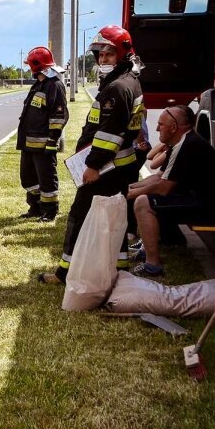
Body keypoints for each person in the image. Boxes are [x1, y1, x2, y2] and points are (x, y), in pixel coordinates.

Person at [40, 25, 146, 284]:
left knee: (79, 215)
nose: (102, 60)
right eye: (99, 55)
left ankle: (65, 273)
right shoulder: (127, 81)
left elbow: (110, 133)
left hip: (107, 168)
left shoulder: (118, 88)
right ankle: (119, 270)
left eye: (108, 54)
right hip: (121, 166)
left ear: (122, 54)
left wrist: (93, 165)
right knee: (115, 218)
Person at [127, 106, 215, 277]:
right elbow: (159, 176)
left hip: (209, 207)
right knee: (144, 196)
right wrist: (131, 187)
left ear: (174, 128)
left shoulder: (188, 145)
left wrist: (132, 194)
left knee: (143, 202)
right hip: (196, 198)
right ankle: (149, 247)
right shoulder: (179, 142)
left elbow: (163, 187)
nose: (156, 128)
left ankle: (152, 265)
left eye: (160, 124)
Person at [17, 46, 68, 222]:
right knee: (28, 178)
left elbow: (59, 116)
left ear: (36, 65)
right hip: (29, 143)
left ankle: (49, 211)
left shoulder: (54, 85)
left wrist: (52, 141)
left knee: (47, 180)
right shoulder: (39, 84)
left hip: (43, 144)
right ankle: (35, 207)